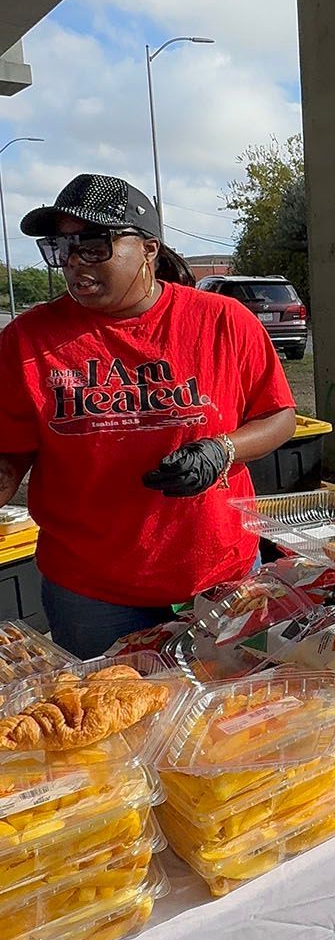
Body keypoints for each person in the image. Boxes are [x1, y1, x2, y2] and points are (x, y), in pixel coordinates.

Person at [0, 173, 297, 657]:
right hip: (93, 594)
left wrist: (223, 448)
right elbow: (9, 455)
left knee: (232, 719)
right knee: (109, 724)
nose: (74, 263)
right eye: (61, 248)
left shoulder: (223, 320)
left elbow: (279, 416)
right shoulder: (26, 341)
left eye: (93, 246)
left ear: (149, 249)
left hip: (220, 576)